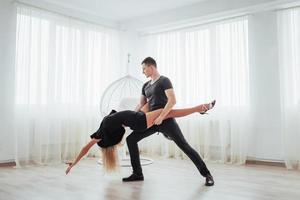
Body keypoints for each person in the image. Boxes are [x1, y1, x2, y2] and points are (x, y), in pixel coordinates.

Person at [123, 57, 215, 186]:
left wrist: (161, 117)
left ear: (151, 66)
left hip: (166, 120)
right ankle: (137, 174)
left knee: (184, 146)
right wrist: (128, 117)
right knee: (131, 139)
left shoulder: (164, 81)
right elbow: (141, 105)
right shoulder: (145, 86)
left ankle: (207, 175)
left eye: (144, 68)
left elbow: (172, 101)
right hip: (152, 121)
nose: (143, 71)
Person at [65, 100, 215, 175]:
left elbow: (123, 118)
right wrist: (74, 163)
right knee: (167, 112)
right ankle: (200, 108)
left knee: (160, 109)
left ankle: (166, 130)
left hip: (137, 116)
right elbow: (86, 148)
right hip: (138, 120)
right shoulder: (101, 133)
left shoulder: (107, 128)